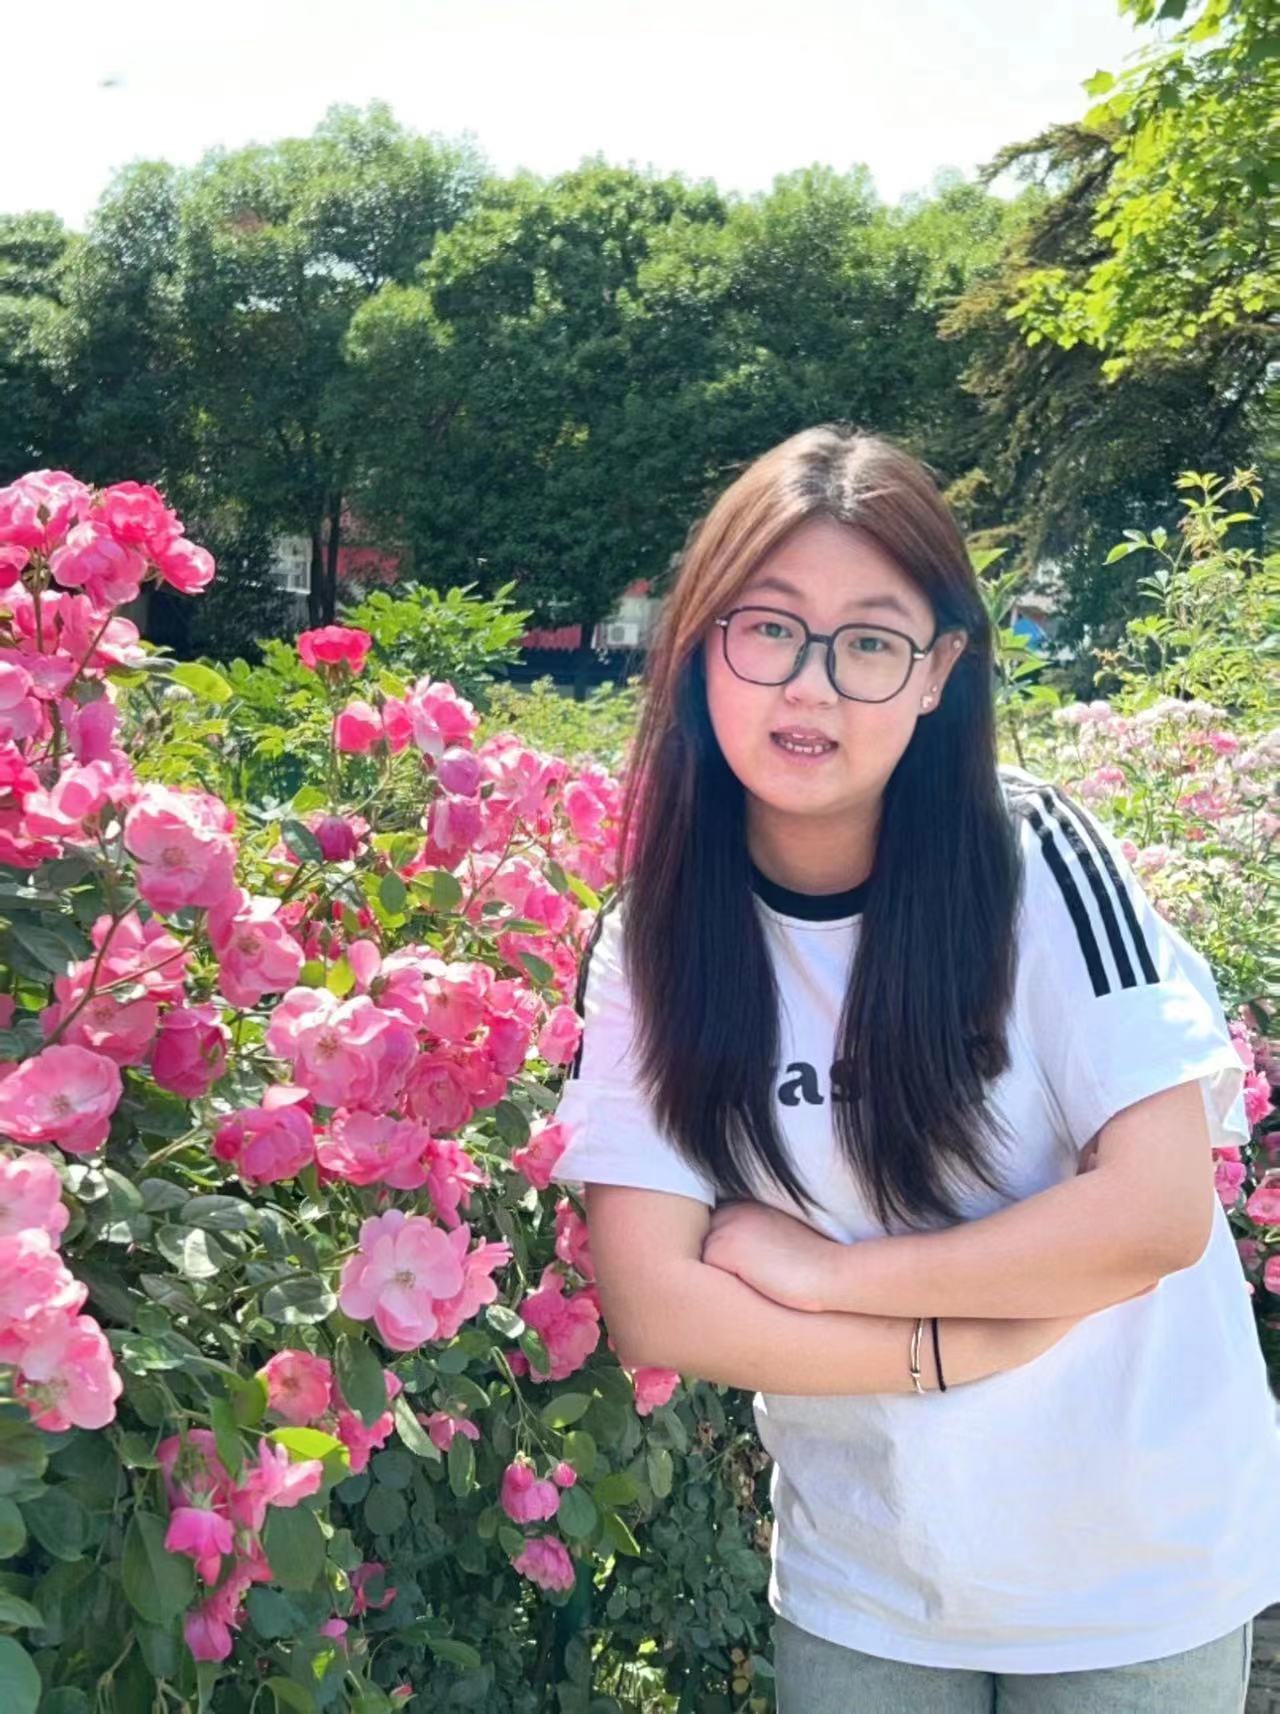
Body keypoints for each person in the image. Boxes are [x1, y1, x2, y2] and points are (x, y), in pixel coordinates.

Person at [547, 425, 1280, 1712]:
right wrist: (948, 1349)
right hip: (868, 1575)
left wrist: (829, 1278)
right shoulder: (650, 943)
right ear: (698, 640)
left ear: (937, 672)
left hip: (1136, 1563)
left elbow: (1154, 1212)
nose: (811, 687)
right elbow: (658, 1303)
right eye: (768, 628)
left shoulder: (1034, 859)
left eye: (870, 643)